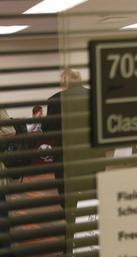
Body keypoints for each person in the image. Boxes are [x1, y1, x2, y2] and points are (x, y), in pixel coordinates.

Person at [44, 69, 89, 197]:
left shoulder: (55, 100)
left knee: (66, 190)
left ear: (64, 81)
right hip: (90, 153)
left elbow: (48, 129)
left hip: (65, 152)